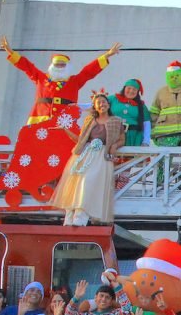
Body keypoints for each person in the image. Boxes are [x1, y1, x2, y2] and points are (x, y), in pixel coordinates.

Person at [0, 36, 121, 125]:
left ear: (67, 66)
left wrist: (107, 55)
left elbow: (89, 71)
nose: (60, 67)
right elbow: (27, 66)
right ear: (52, 66)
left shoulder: (74, 81)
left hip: (65, 122)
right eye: (57, 64)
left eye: (62, 65)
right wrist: (10, 52)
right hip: (40, 119)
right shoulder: (41, 78)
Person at [51, 91, 125, 226]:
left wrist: (114, 146)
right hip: (85, 154)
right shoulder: (90, 120)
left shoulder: (116, 121)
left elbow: (122, 139)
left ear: (108, 104)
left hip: (101, 156)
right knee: (75, 184)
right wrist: (65, 130)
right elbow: (80, 140)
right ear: (95, 107)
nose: (102, 104)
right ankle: (69, 216)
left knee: (88, 183)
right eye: (99, 103)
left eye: (104, 102)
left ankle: (81, 216)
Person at [109, 78, 149, 146]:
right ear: (124, 88)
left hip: (134, 137)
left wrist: (146, 141)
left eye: (134, 89)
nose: (131, 91)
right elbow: (99, 105)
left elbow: (147, 124)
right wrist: (84, 107)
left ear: (137, 92)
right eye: (129, 88)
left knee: (130, 156)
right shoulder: (113, 99)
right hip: (114, 134)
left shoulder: (142, 106)